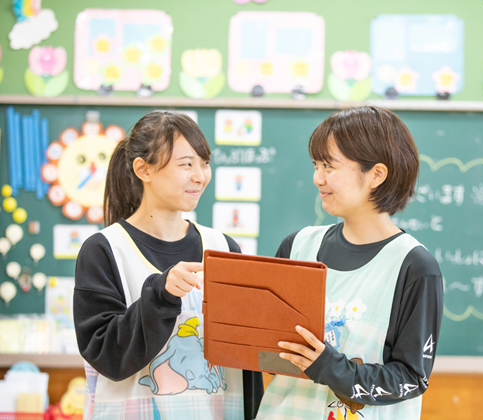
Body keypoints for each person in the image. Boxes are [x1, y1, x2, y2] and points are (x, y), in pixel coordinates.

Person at [257, 106, 443, 420]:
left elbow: (412, 378)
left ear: (376, 174)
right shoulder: (297, 246)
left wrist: (330, 367)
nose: (318, 178)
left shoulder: (414, 267)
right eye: (316, 165)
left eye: (329, 166)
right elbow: (270, 355)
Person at [74, 111, 263, 420]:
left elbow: (245, 360)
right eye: (186, 164)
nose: (200, 176)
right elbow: (106, 356)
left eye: (204, 163)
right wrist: (159, 294)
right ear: (143, 170)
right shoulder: (105, 250)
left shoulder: (224, 248)